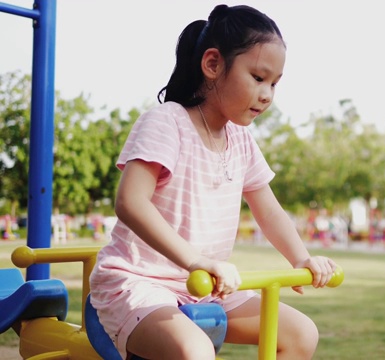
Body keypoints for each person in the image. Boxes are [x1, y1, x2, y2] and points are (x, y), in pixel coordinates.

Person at [89, 4, 338, 359]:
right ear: (212, 64)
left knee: (301, 334)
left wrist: (302, 258)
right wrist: (194, 261)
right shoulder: (167, 122)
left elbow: (269, 211)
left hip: (206, 287)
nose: (267, 94)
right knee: (196, 351)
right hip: (140, 282)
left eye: (274, 84)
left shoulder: (241, 140)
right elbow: (131, 202)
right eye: (257, 77)